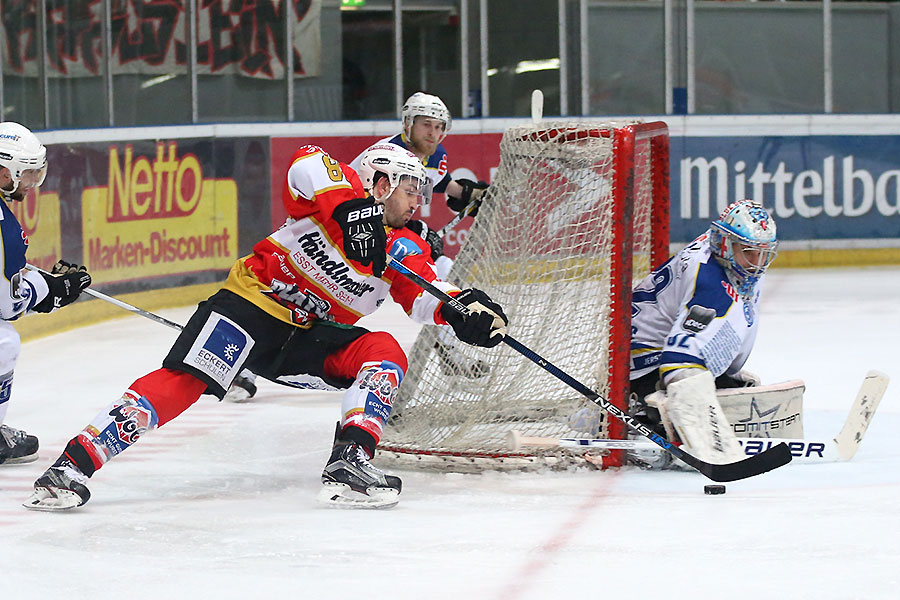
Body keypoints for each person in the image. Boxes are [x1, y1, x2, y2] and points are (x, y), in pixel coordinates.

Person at [24, 142, 508, 511]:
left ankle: (349, 464)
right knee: (186, 380)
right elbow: (306, 163)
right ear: (380, 183)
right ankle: (71, 466)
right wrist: (348, 212)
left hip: (308, 338)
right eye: (409, 190)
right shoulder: (336, 189)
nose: (417, 203)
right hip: (251, 306)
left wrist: (462, 311)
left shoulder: (403, 245)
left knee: (385, 350)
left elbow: (424, 295)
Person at [224, 91, 491, 401]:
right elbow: (363, 202)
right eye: (426, 125)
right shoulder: (385, 154)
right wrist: (417, 229)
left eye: (439, 127)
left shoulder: (435, 154)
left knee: (436, 272)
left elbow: (435, 180)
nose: (433, 134)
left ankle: (449, 350)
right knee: (288, 292)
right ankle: (244, 359)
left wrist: (465, 191)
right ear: (408, 124)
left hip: (369, 237)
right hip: (332, 229)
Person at [569, 199, 778, 468]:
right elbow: (680, 363)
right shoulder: (710, 287)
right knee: (689, 388)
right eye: (749, 252)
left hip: (633, 351)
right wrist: (710, 444)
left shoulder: (717, 247)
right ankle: (633, 410)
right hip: (638, 367)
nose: (756, 263)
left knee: (732, 388)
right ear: (725, 244)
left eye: (763, 253)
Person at [0, 122, 93, 465]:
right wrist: (52, 290)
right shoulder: (4, 229)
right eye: (24, 175)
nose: (29, 184)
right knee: (3, 340)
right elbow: (7, 307)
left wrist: (33, 277)